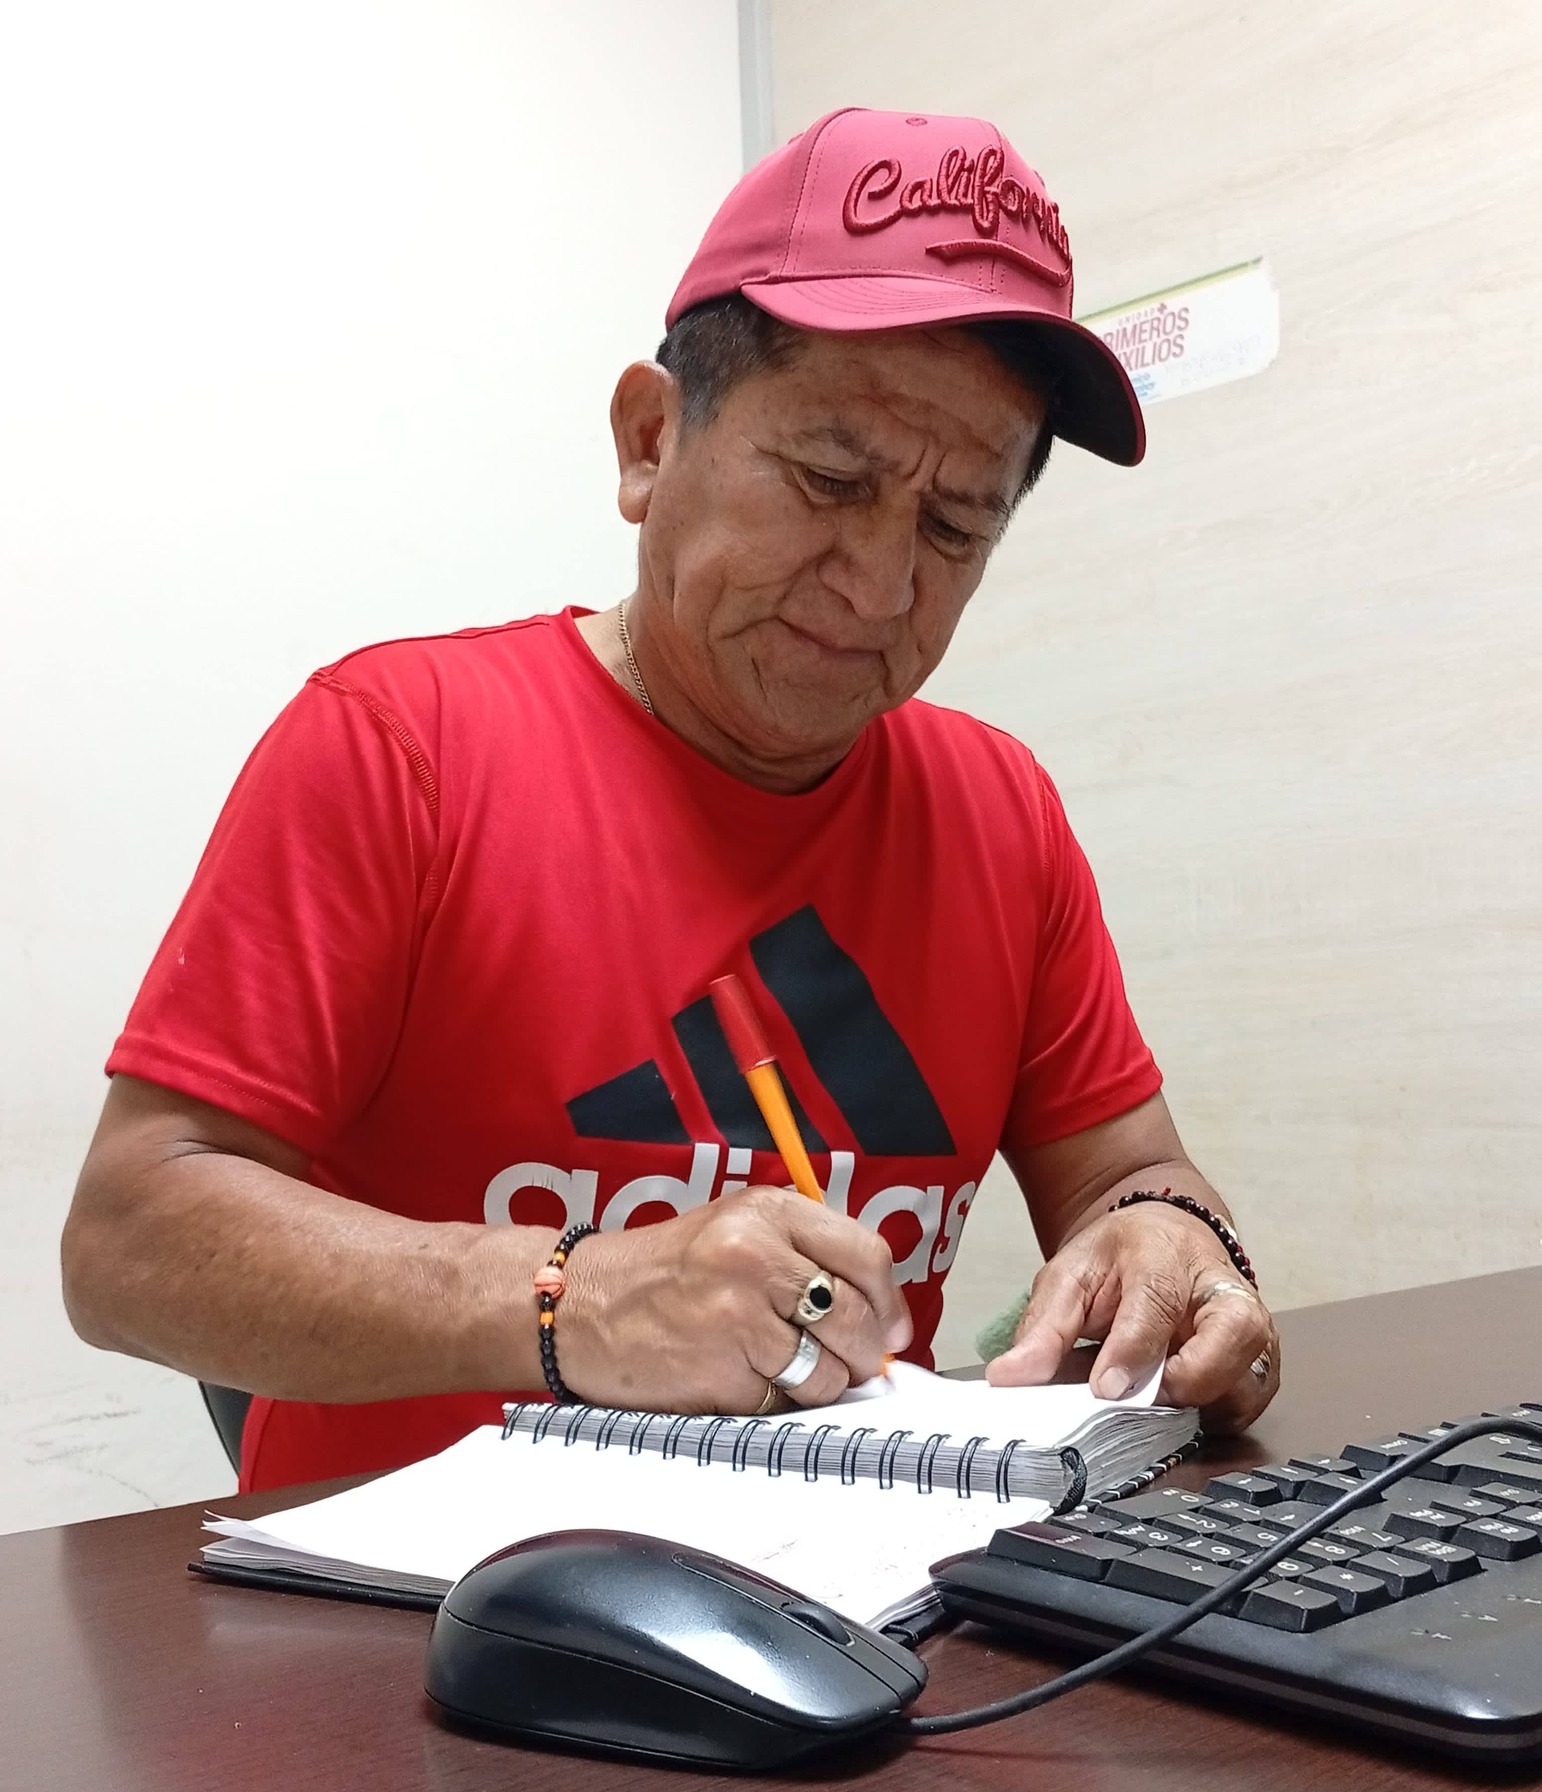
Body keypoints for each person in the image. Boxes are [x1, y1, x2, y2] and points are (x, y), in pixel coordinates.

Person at [61, 106, 1279, 1491]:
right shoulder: (398, 748)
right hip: (418, 1603)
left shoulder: (997, 814)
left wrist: (1176, 1243)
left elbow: (1128, 1176)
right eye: (830, 481)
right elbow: (125, 1243)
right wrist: (576, 1297)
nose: (882, 586)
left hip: (856, 1581)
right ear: (649, 441)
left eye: (955, 527)